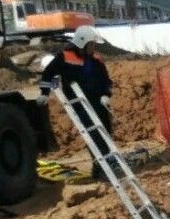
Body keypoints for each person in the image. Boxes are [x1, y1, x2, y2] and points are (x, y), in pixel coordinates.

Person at [38, 25, 115, 180]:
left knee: (104, 131)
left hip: (97, 102)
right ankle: (101, 167)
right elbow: (48, 74)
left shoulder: (96, 60)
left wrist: (106, 94)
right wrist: (44, 94)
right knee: (93, 134)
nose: (94, 47)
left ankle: (104, 164)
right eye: (91, 44)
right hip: (79, 103)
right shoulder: (65, 58)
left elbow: (105, 80)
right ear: (82, 43)